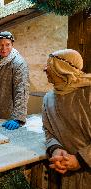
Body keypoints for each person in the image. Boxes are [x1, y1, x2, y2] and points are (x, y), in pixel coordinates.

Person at [43, 49, 91, 189]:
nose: (44, 69)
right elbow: (48, 130)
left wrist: (80, 160)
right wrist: (56, 149)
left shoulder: (87, 94)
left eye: (50, 64)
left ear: (63, 68)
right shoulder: (48, 98)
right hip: (65, 174)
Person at [0, 31, 29, 130]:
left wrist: (18, 118)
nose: (4, 48)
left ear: (12, 44)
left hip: (9, 117)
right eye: (1, 45)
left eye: (7, 45)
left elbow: (21, 90)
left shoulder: (18, 63)